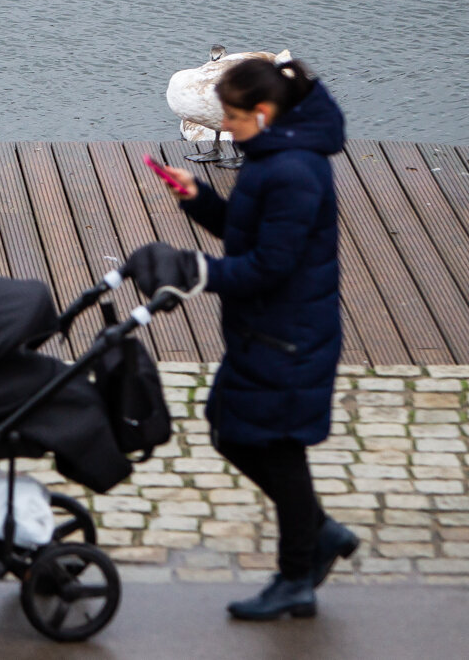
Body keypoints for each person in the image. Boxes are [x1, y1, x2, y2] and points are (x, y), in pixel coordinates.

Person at [125, 56, 360, 620]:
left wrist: (198, 273)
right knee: (230, 428)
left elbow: (269, 267)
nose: (224, 126)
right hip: (267, 331)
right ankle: (318, 533)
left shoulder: (295, 170)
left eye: (231, 115)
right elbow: (247, 230)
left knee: (280, 452)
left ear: (262, 111)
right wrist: (199, 197)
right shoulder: (271, 155)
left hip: (290, 336)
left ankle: (296, 576)